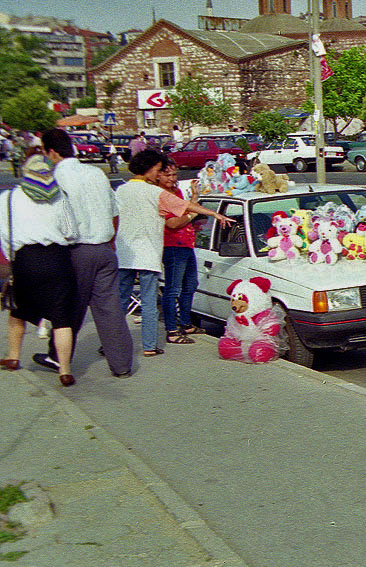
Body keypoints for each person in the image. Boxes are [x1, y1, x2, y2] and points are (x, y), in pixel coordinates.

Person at [38, 128, 134, 378]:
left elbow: (50, 220)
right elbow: (115, 212)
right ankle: (122, 364)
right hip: (104, 248)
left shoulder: (53, 178)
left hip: (75, 250)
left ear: (51, 152)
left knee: (69, 307)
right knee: (110, 309)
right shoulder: (96, 174)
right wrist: (110, 241)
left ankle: (58, 357)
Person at [115, 149, 231, 358]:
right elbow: (184, 206)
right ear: (149, 169)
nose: (158, 174)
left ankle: (110, 343)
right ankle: (149, 346)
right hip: (147, 253)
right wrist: (214, 212)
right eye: (158, 170)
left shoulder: (120, 190)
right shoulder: (155, 193)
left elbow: (114, 219)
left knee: (122, 301)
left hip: (124, 253)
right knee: (149, 302)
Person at [1, 154, 79, 386]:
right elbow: (71, 231)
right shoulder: (60, 197)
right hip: (58, 259)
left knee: (18, 311)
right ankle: (64, 371)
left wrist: (14, 258)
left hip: (26, 259)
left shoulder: (9, 198)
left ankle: (13, 357)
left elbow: (4, 234)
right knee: (62, 318)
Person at [158, 160, 204, 345]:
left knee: (190, 284)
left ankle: (186, 323)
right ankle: (171, 329)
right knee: (173, 289)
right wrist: (191, 216)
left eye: (174, 174)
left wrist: (194, 196)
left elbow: (186, 212)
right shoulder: (161, 196)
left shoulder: (175, 192)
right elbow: (172, 223)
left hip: (186, 244)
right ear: (158, 175)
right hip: (172, 246)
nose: (171, 178)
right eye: (167, 174)